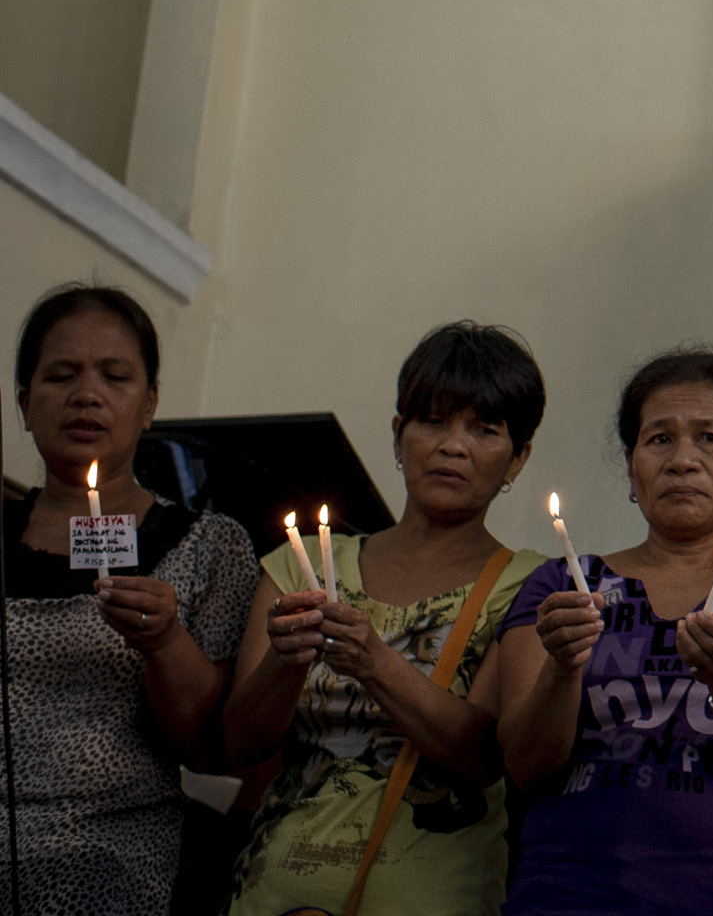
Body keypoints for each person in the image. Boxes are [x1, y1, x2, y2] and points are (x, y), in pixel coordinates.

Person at [480, 349, 713, 914]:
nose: (683, 461)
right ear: (632, 467)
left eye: (709, 439)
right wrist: (563, 664)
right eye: (659, 440)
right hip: (567, 893)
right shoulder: (563, 586)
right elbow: (525, 766)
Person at [223, 322, 549, 915]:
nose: (454, 446)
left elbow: (488, 757)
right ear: (399, 436)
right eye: (432, 421)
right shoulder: (301, 566)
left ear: (517, 457)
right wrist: (286, 660)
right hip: (274, 895)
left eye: (484, 429)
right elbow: (242, 743)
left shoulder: (529, 586)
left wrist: (376, 664)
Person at [4, 283, 257, 915]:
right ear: (26, 403)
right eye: (62, 375)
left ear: (149, 405)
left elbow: (214, 751)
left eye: (115, 377)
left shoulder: (209, 547)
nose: (86, 394)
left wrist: (163, 643)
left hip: (108, 861)